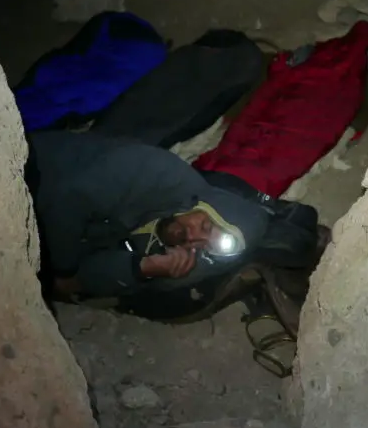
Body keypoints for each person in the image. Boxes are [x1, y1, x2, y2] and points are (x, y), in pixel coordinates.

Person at [25, 130, 273, 304]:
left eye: (203, 246)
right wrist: (64, 269)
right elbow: (68, 200)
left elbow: (84, 278)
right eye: (205, 225)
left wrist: (142, 269)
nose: (193, 238)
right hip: (28, 168)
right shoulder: (159, 173)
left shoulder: (178, 249)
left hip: (36, 227)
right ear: (207, 206)